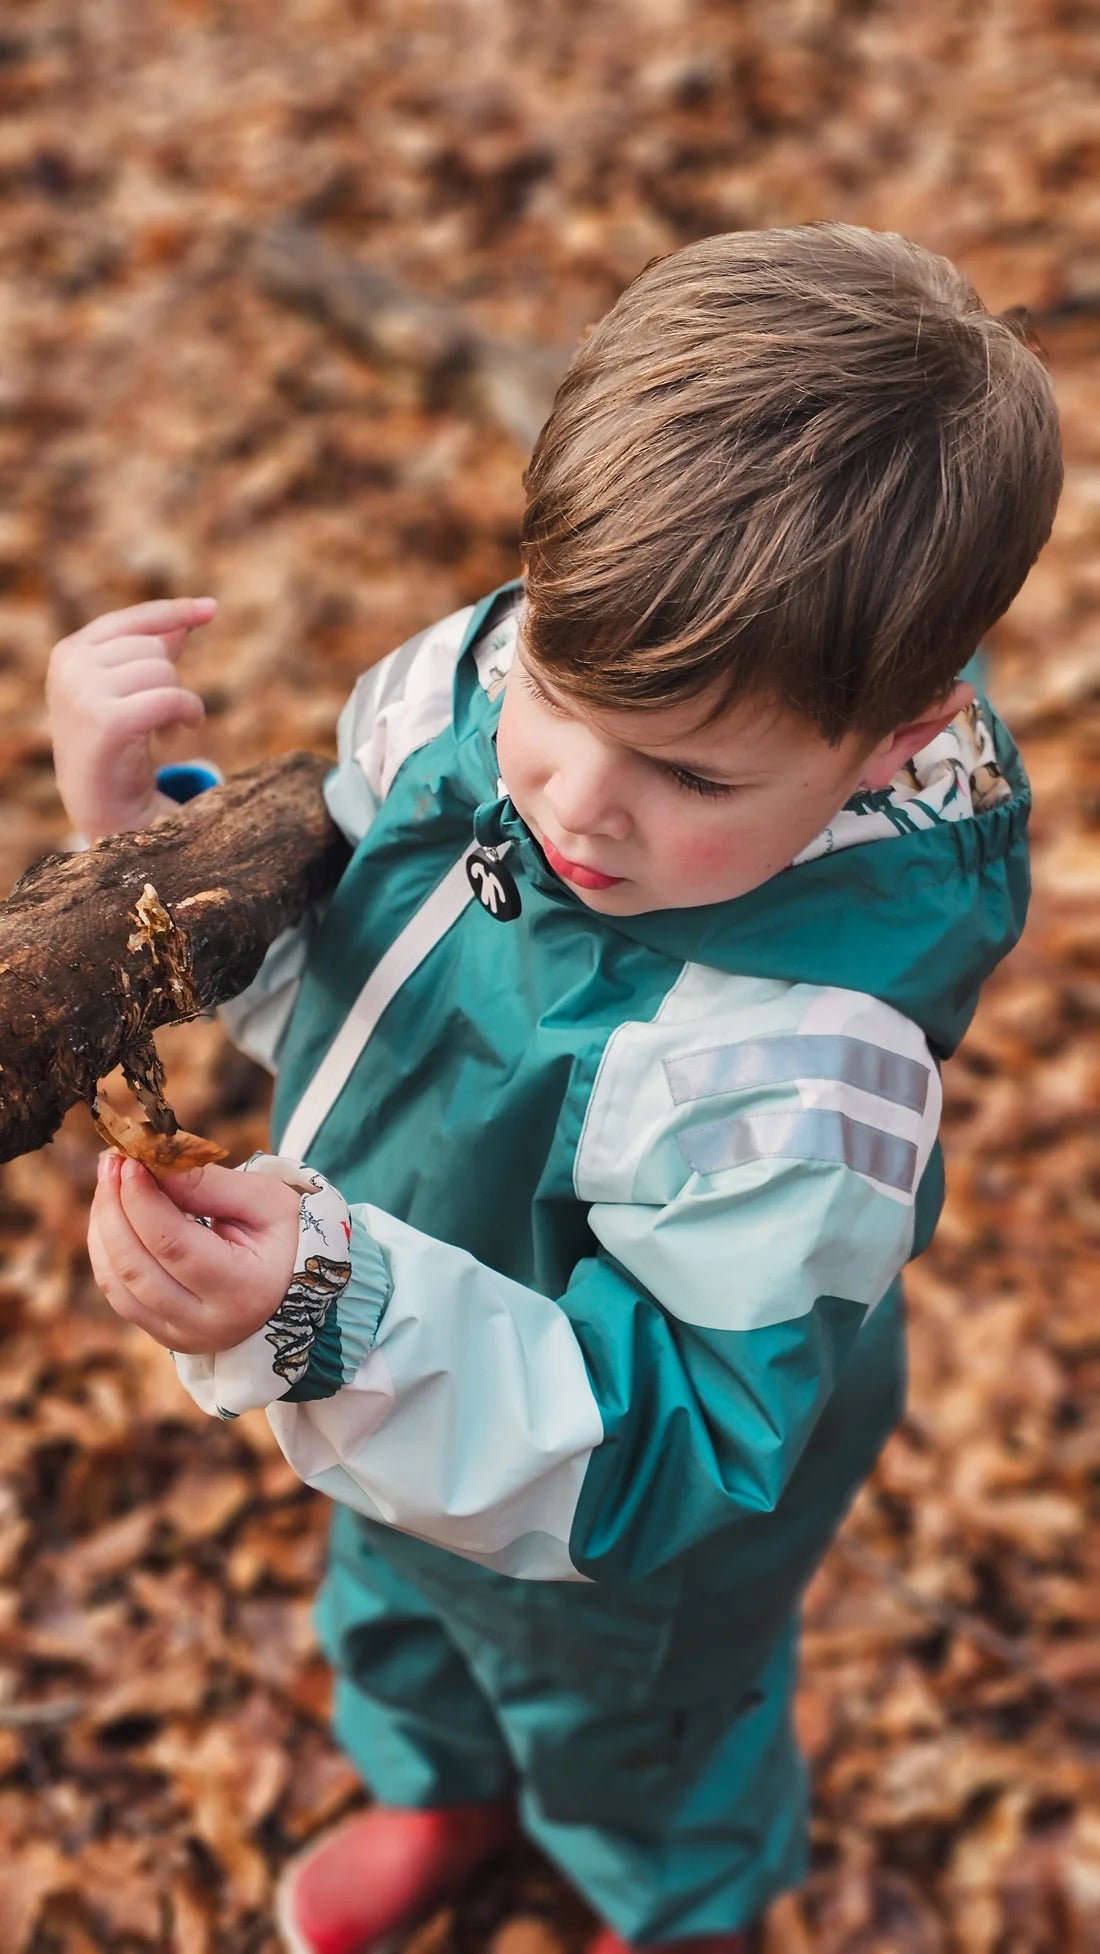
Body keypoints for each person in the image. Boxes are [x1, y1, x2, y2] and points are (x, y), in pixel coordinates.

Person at [48, 224, 1061, 1954]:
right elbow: (357, 957)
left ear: (887, 742)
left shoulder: (799, 1068)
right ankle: (435, 1784)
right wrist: (144, 846)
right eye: (562, 694)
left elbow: (662, 1454)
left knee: (631, 1731)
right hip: (400, 1369)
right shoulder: (490, 677)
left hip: (636, 1493)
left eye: (689, 774)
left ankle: (670, 1902)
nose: (573, 804)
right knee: (398, 1605)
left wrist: (328, 1308)